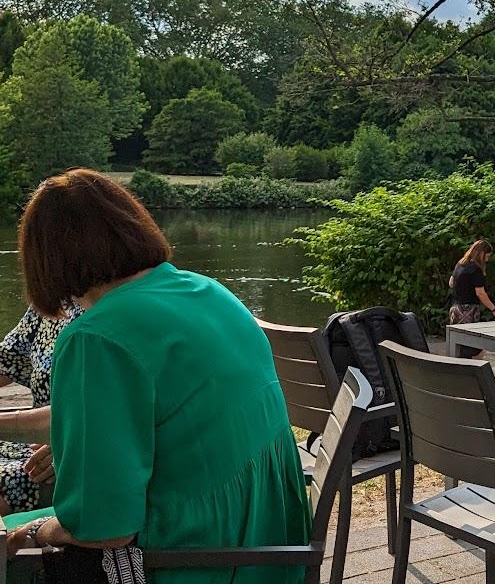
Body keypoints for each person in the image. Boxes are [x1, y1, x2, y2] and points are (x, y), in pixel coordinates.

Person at [4, 169, 310, 583]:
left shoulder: (97, 336)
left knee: (16, 551)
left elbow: (104, 528)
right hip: (269, 546)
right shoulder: (207, 291)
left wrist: (39, 530)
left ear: (44, 259)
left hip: (188, 560)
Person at [0, 304, 80, 516]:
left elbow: (112, 407)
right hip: (33, 440)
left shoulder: (115, 311)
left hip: (75, 451)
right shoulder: (54, 300)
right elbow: (6, 360)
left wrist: (69, 444)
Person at [449, 238, 495, 325]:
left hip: (455, 308)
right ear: (481, 254)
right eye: (487, 256)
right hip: (468, 310)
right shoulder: (476, 270)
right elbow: (480, 293)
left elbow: (451, 283)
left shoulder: (460, 264)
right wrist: (494, 309)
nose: (487, 260)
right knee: (468, 337)